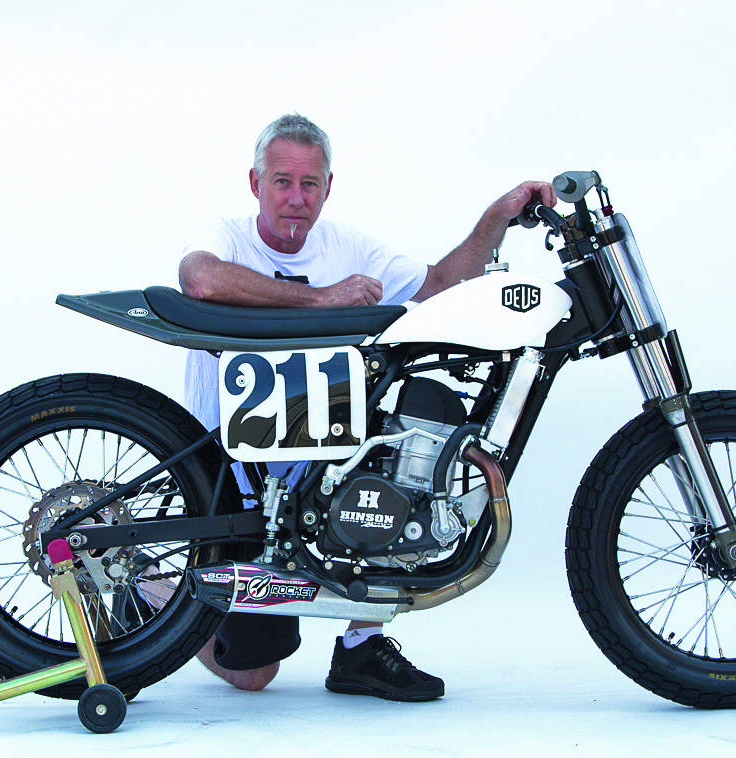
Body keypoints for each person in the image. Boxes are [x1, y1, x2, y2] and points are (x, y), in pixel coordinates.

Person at [177, 114, 556, 702]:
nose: (296, 198)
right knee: (254, 672)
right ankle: (153, 595)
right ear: (255, 184)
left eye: (310, 184)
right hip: (229, 466)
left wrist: (494, 220)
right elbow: (200, 280)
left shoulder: (348, 245)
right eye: (282, 182)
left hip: (317, 467)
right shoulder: (224, 235)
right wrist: (321, 299)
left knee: (402, 449)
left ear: (328, 188)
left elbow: (439, 284)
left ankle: (361, 645)